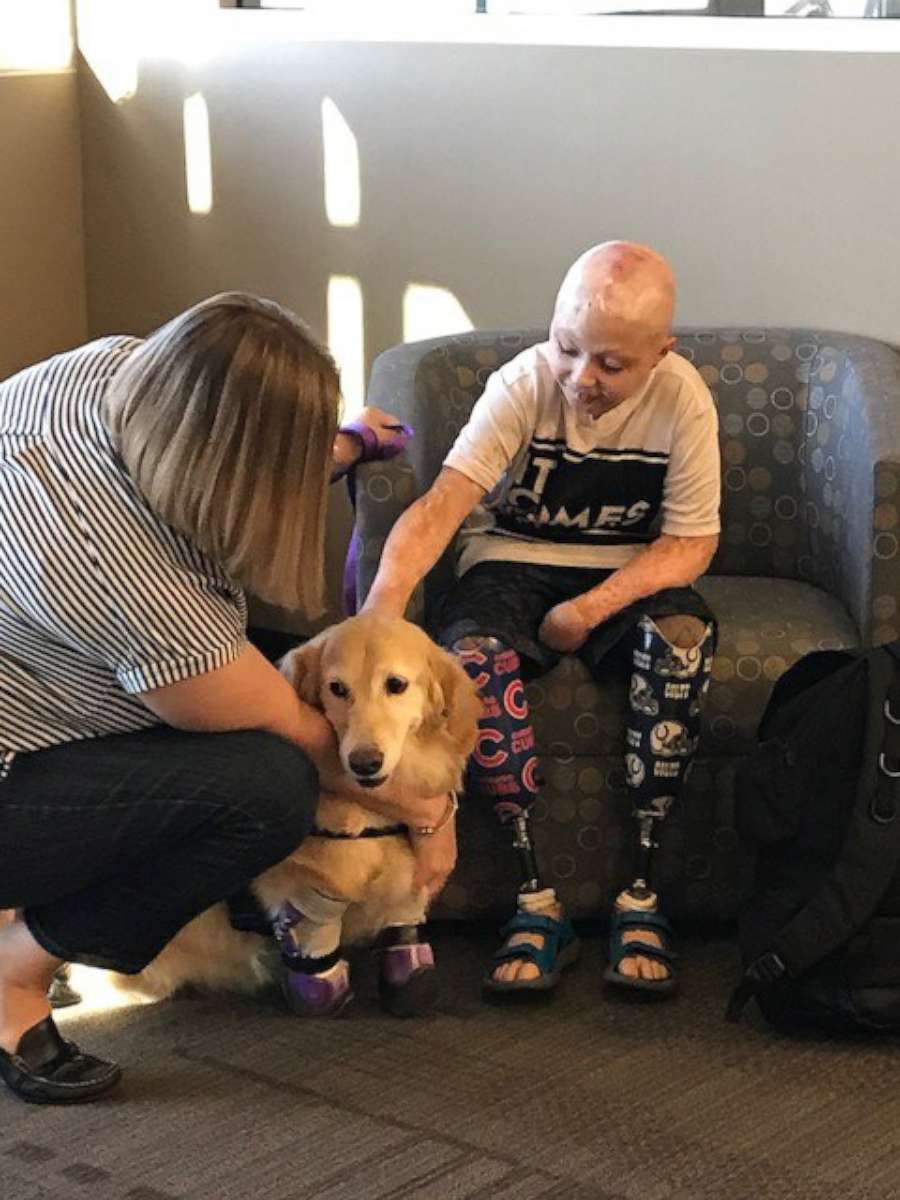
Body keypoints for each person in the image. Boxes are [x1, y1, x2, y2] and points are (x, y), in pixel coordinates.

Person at [0, 292, 453, 1105]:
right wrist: (430, 809)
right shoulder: (127, 578)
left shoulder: (111, 366)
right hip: (13, 776)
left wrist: (346, 444)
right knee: (266, 788)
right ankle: (14, 973)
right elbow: (307, 739)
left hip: (35, 688)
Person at [363, 242, 720, 998]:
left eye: (611, 366)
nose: (581, 379)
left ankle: (642, 896)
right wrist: (378, 620)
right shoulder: (522, 383)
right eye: (567, 348)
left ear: (662, 353)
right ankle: (534, 904)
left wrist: (588, 610)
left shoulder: (684, 394)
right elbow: (441, 511)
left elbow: (691, 542)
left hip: (630, 568)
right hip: (510, 559)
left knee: (682, 645)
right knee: (473, 659)